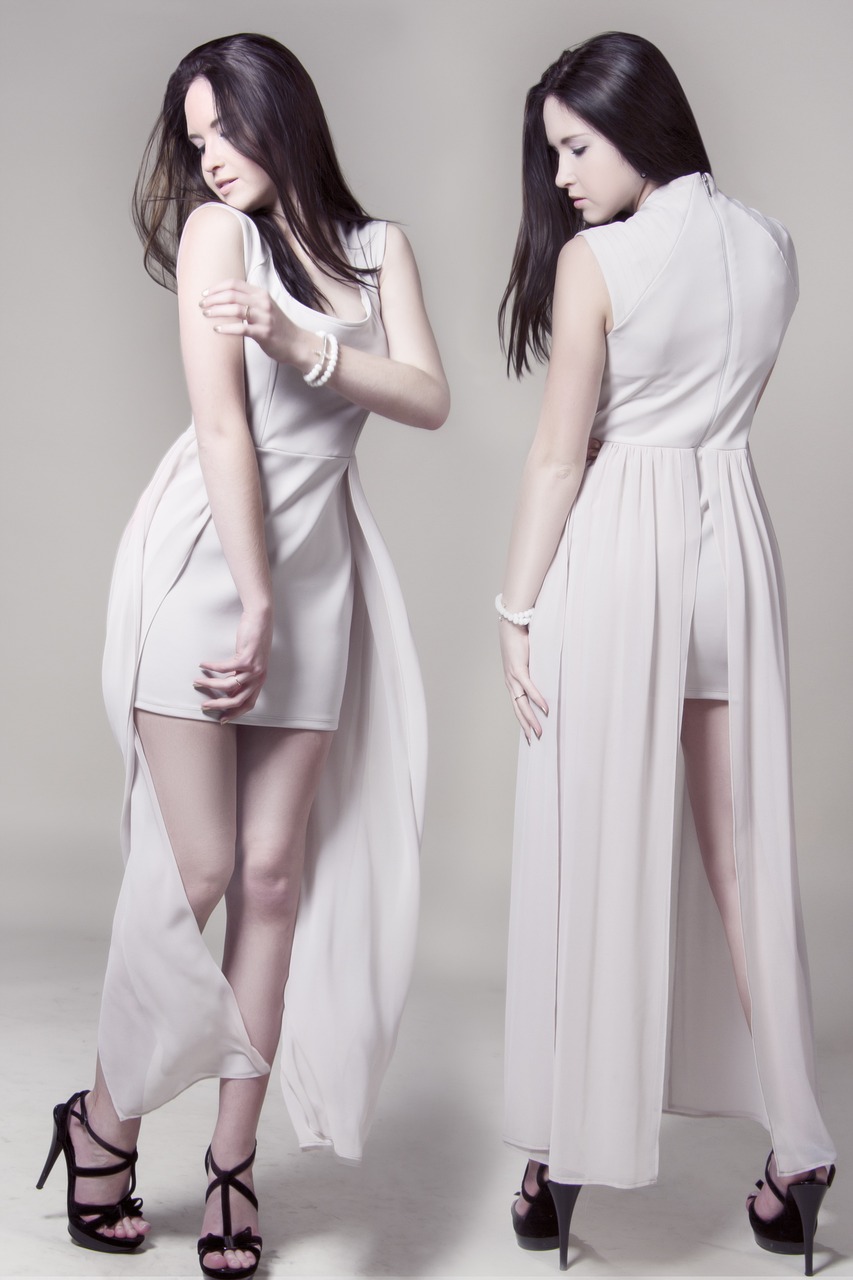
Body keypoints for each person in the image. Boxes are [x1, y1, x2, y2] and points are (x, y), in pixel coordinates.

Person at [36, 32, 448, 1278]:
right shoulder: (222, 237)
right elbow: (221, 427)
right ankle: (104, 1120)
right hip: (210, 569)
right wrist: (254, 597)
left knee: (273, 880)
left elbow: (427, 397)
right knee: (199, 865)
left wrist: (297, 338)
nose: (210, 157)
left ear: (286, 115)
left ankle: (230, 1164)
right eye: (195, 138)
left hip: (318, 584)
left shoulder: (377, 249)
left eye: (227, 128)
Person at [496, 31, 835, 1275]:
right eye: (553, 154)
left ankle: (559, 1153)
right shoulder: (771, 244)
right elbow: (715, 402)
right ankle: (799, 1142)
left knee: (590, 848)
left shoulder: (597, 261)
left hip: (621, 550)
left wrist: (513, 607)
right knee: (742, 858)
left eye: (577, 147)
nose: (563, 177)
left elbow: (559, 456)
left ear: (640, 124)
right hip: (731, 542)